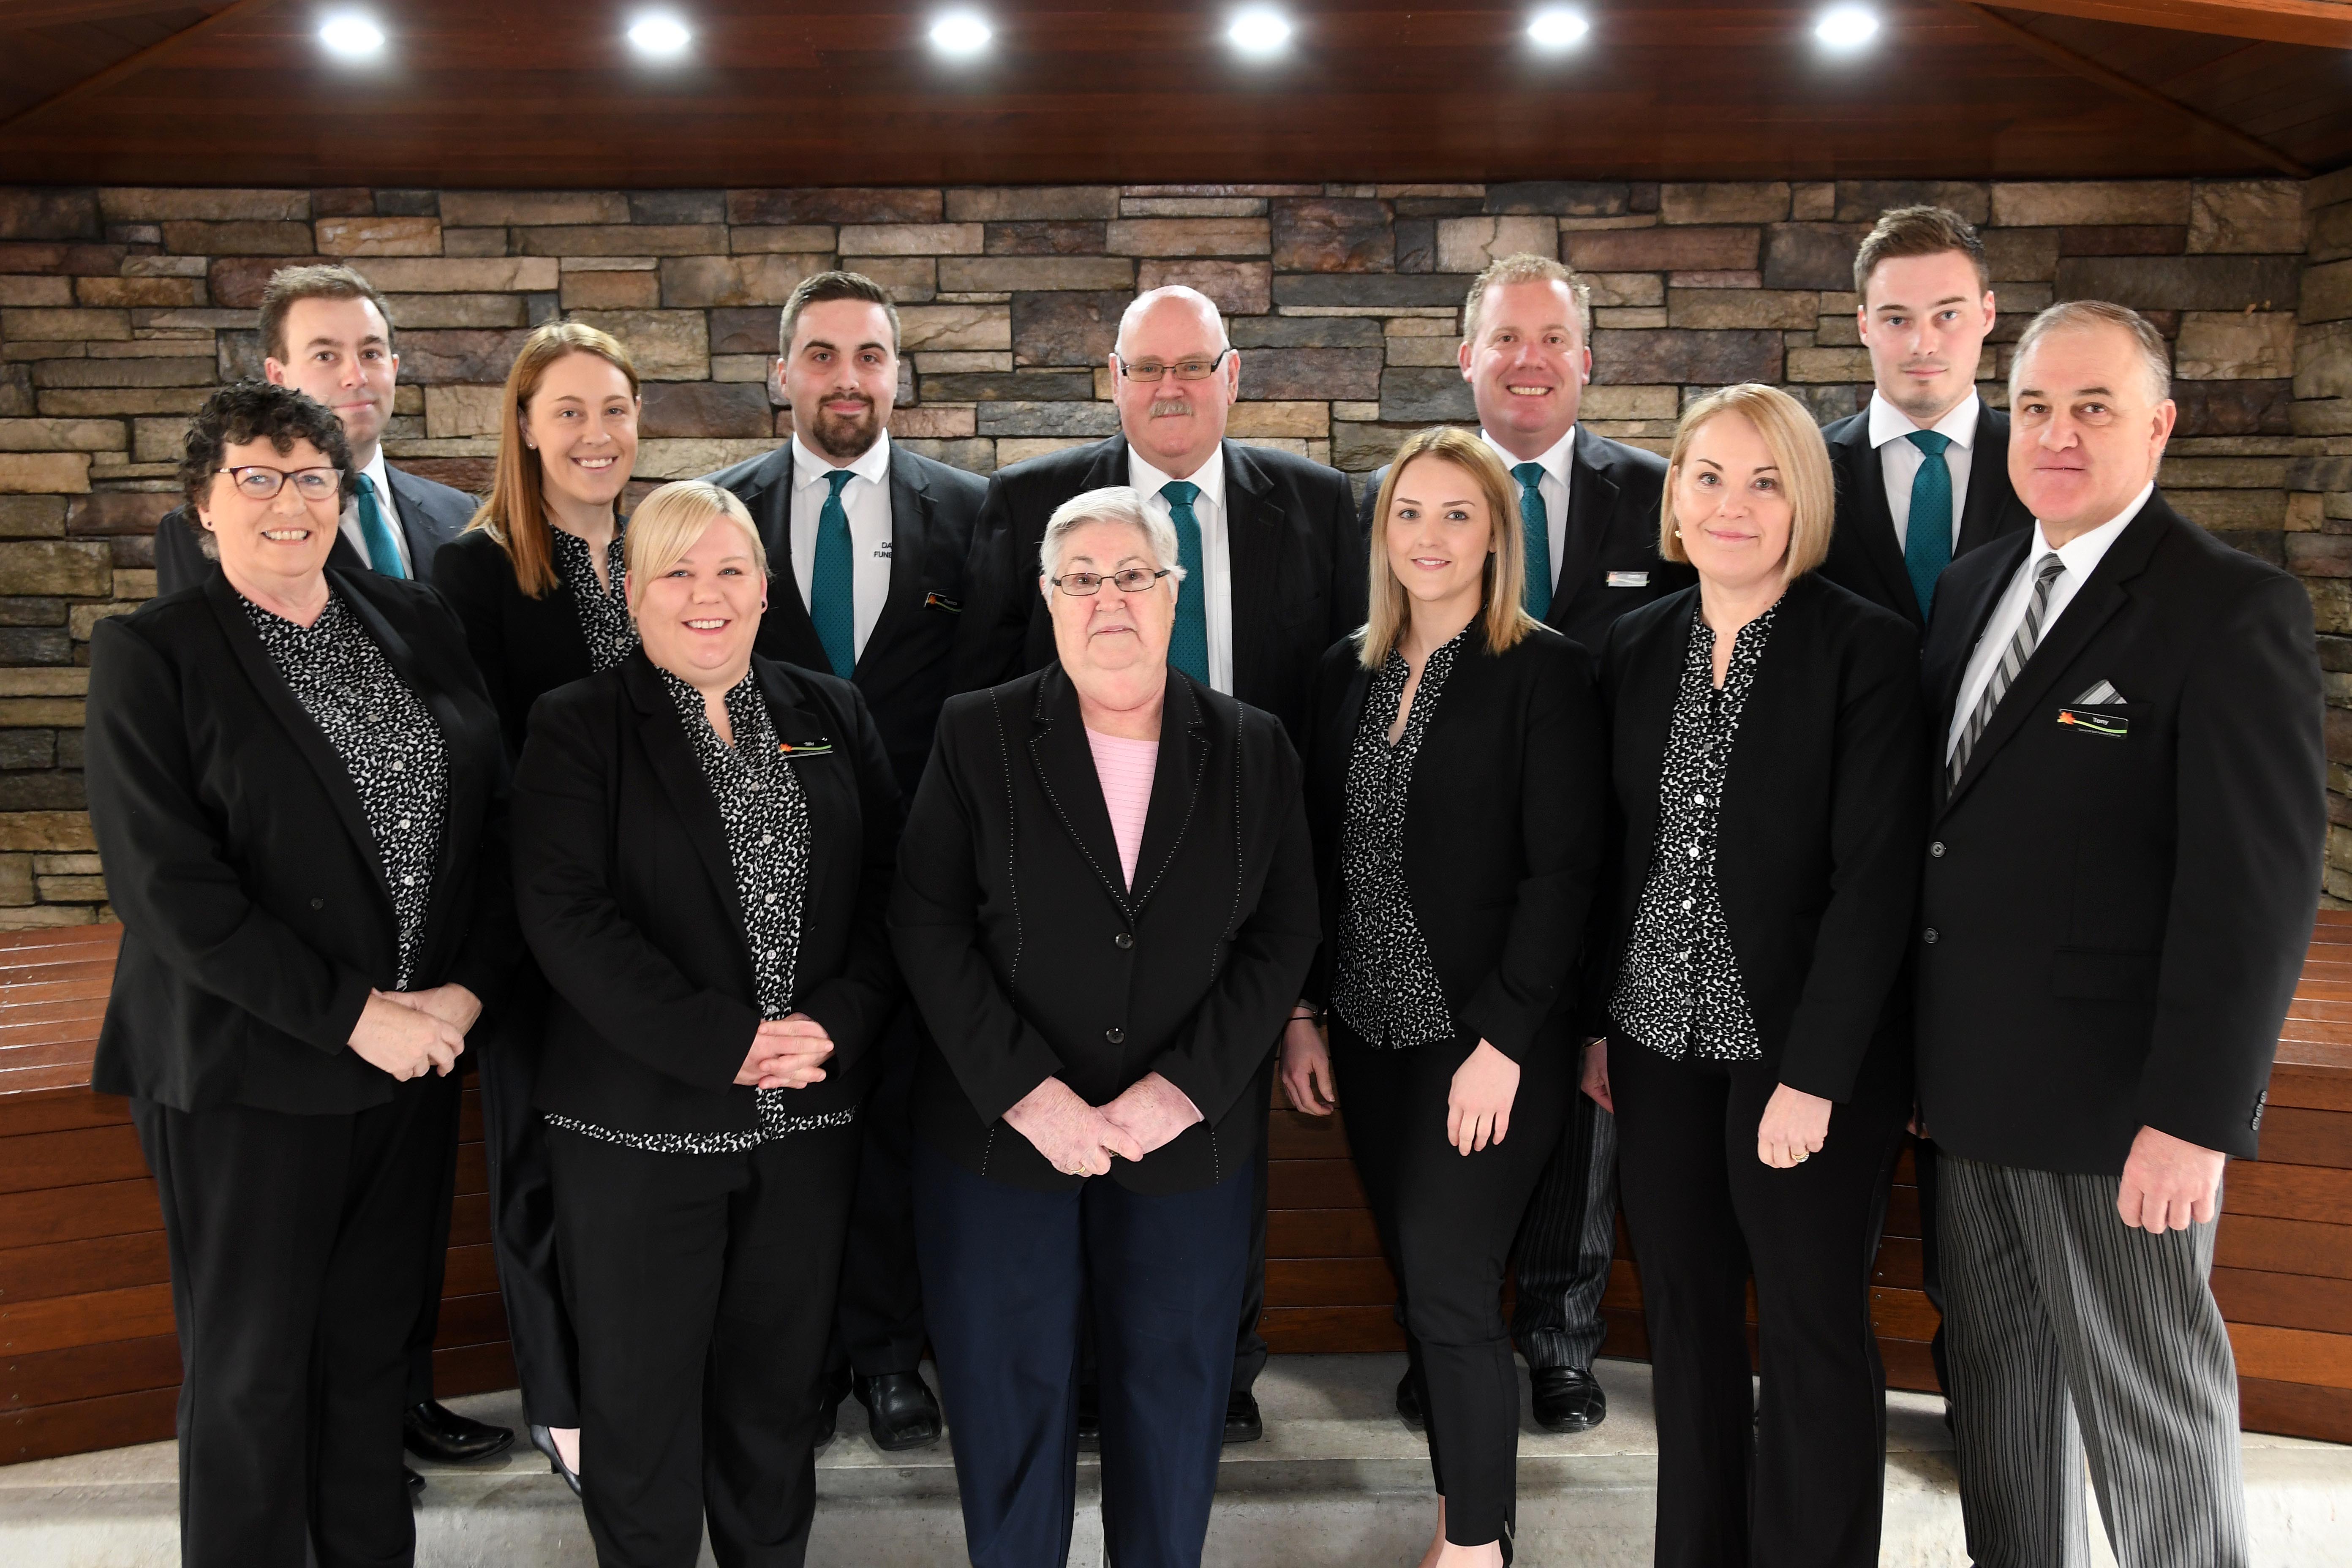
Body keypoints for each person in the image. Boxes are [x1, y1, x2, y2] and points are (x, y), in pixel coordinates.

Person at [1917, 301, 2324, 1568]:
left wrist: (2194, 1117)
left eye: (2092, 406)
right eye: (2035, 406)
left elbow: (2254, 890)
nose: (2056, 433)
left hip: (2119, 1114)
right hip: (1969, 1094)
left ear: (2157, 425)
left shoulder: (2228, 608)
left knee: (2149, 1418)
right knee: (1998, 1401)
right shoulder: (1973, 584)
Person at [84, 379, 515, 1568]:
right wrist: (353, 1016)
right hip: (251, 1072)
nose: (289, 501)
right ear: (203, 503)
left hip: (414, 1062)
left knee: (372, 1362)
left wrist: (468, 991)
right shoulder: (153, 654)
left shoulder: (413, 618)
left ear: (342, 493)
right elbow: (169, 889)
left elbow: (494, 821)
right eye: (257, 477)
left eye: (312, 477)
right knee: (254, 1376)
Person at [892, 486, 1318, 1568]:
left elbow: (1284, 936)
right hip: (999, 1146)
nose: (1108, 599)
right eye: (1080, 579)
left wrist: (1182, 1090)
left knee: (1173, 1410)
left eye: (1133, 574)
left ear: (1174, 591)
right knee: (1006, 1404)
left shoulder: (1254, 746)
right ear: (1048, 598)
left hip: (1186, 1147)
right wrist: (1028, 1094)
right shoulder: (977, 732)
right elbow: (927, 925)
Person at [964, 284, 1361, 1441]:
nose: (1172, 389)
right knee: (1088, 1119)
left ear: (1233, 376)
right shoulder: (1029, 503)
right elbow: (985, 699)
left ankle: (1221, 1369)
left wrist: (1306, 980)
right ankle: (1090, 1379)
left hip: (1244, 884)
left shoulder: (1318, 504)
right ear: (1115, 380)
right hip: (1077, 885)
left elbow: (1337, 707)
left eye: (1195, 366)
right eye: (1148, 368)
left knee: (1219, 1125)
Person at [511, 480, 902, 1568]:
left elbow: (892, 890)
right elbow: (565, 915)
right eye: (676, 572)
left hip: (805, 1125)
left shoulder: (832, 711)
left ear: (765, 590)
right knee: (640, 1420)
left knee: (775, 1408)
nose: (706, 594)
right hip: (642, 1132)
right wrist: (724, 1041)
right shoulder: (576, 724)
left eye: (730, 569)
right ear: (632, 593)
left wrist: (836, 1021)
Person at [1583, 383, 1925, 1567]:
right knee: (1685, 1325)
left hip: (1803, 1057)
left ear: (1804, 501)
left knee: (1810, 1325)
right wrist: (1599, 1027)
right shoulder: (1635, 645)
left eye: (1765, 480)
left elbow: (1876, 881)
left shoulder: (1866, 648)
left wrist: (1815, 1076)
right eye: (1709, 477)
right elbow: (1618, 855)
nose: (1732, 504)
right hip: (1656, 1044)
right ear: (1675, 496)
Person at [1356, 252, 1693, 1434]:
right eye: (1506, 337)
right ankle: (1450, 1331)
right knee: (1456, 1125)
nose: (1529, 359)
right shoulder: (1400, 503)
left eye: (1552, 338)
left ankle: (1559, 1338)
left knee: (1581, 1105)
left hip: (1625, 864)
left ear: (1587, 360)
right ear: (1467, 358)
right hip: (1471, 874)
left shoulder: (1659, 497)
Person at [1281, 427, 1608, 1567]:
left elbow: (1563, 876)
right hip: (1370, 1036)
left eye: (1457, 513)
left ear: (1496, 534)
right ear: (1383, 534)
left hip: (1488, 1042)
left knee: (1452, 1288)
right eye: (1409, 512)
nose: (1430, 535)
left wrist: (1505, 1042)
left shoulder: (1546, 672)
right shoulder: (1344, 671)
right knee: (1429, 1290)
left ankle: (1473, 1549)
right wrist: (1305, 1013)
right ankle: (1469, 1516)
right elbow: (1316, 856)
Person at [702, 270, 990, 1449]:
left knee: (899, 1119)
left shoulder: (973, 514)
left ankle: (886, 1354)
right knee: (789, 1129)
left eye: (869, 356)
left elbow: (993, 697)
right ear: (781, 374)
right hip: (760, 888)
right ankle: (801, 1361)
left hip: (926, 886)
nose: (846, 379)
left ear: (897, 376)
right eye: (820, 355)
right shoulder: (718, 516)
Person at [428, 319, 642, 1492]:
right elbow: (479, 767)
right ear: (523, 425)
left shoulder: (662, 548)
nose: (595, 434)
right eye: (568, 411)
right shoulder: (477, 569)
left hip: (667, 924)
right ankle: (562, 1403)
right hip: (537, 918)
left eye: (613, 409)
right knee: (537, 1166)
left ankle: (646, 1381)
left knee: (636, 1172)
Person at [154, 264, 476, 596]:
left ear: (393, 369)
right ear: (278, 377)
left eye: (370, 354)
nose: (356, 377)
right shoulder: (209, 530)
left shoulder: (464, 513)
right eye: (325, 356)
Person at [1822, 207, 2034, 630]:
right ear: (1864, 325)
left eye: (1948, 315)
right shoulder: (1805, 466)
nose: (1923, 344)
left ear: (1987, 314)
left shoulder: (2043, 461)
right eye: (1897, 319)